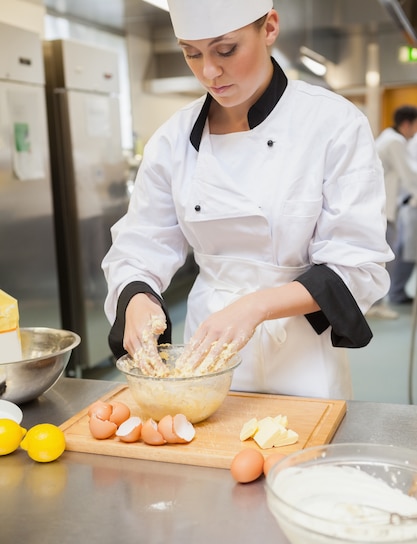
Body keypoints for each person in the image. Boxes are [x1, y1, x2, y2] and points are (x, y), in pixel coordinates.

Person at [102, 0, 393, 400]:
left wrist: (256, 306)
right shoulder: (171, 140)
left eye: (226, 50)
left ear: (269, 27)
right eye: (191, 53)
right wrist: (136, 297)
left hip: (301, 356)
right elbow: (139, 247)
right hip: (206, 357)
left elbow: (357, 264)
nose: (209, 72)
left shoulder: (334, 124)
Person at [374, 105, 417, 308]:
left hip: (383, 209)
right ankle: (375, 305)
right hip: (383, 210)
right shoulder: (395, 142)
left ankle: (375, 304)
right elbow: (410, 177)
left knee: (382, 258)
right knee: (383, 260)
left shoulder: (387, 137)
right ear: (407, 124)